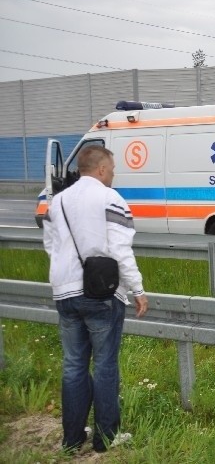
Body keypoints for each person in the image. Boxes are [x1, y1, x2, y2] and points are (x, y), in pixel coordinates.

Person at [42, 145, 148, 454]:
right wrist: (137, 290)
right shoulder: (110, 199)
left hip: (64, 293)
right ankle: (106, 437)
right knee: (104, 365)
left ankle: (72, 439)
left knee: (73, 364)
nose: (113, 175)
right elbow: (120, 251)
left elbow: (51, 245)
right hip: (100, 295)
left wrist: (69, 273)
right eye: (112, 170)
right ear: (101, 169)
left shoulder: (57, 201)